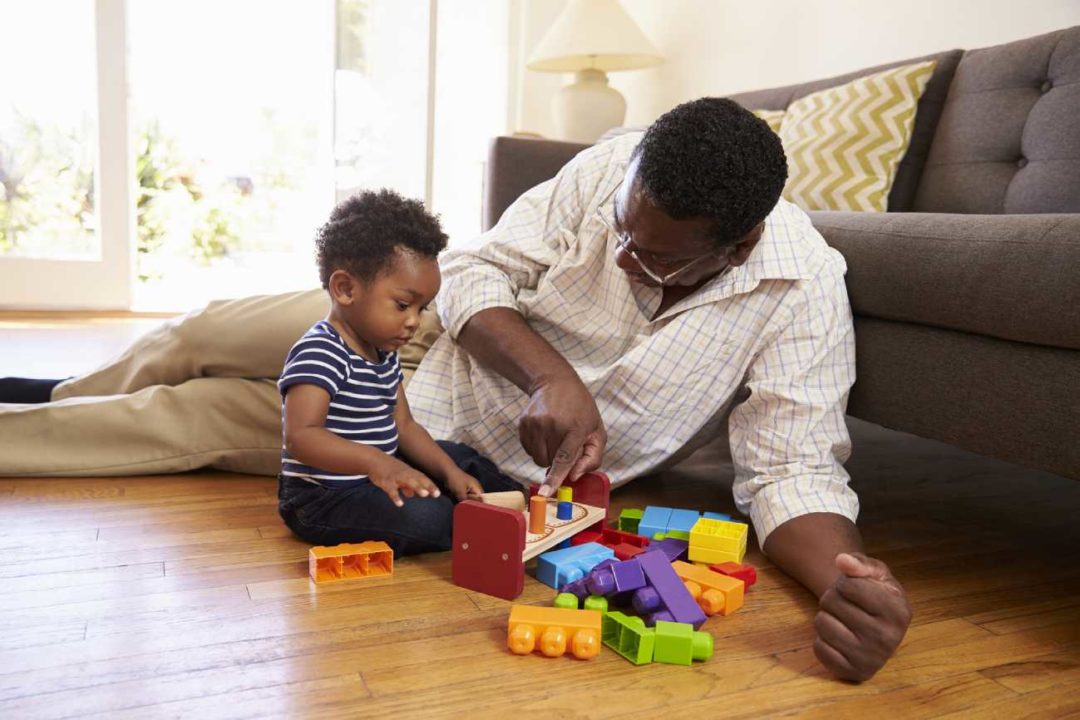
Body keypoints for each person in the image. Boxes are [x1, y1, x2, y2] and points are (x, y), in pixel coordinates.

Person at [0, 97, 910, 682]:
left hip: (414, 431)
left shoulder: (800, 288)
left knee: (179, 419)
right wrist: (549, 372)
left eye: (654, 253)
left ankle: (30, 427)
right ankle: (55, 388)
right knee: (195, 331)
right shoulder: (612, 168)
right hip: (430, 324)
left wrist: (846, 579)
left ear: (737, 244)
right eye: (623, 231)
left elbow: (792, 469)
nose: (625, 252)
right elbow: (476, 272)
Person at [275, 189, 522, 556]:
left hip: (377, 476)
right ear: (345, 289)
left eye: (422, 309)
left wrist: (449, 472)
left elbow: (404, 427)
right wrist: (378, 462)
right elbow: (302, 437)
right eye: (403, 304)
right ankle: (476, 519)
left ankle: (519, 507)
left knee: (460, 456)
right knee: (428, 518)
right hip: (324, 499)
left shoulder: (384, 350)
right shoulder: (320, 351)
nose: (413, 322)